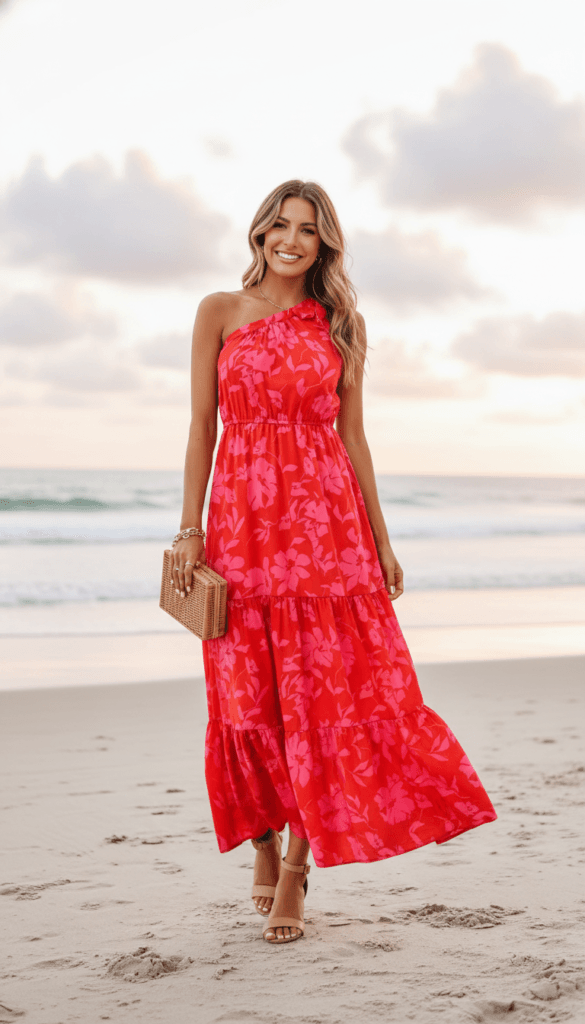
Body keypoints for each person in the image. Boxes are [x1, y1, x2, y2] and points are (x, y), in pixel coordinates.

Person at [170, 180, 497, 945]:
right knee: (246, 695)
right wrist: (189, 530)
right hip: (242, 525)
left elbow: (353, 438)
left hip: (324, 531)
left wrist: (380, 540)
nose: (290, 239)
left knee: (320, 697)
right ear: (258, 232)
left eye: (307, 230)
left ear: (325, 244)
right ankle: (258, 838)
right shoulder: (217, 311)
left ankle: (294, 868)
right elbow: (199, 430)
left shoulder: (339, 323)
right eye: (279, 224)